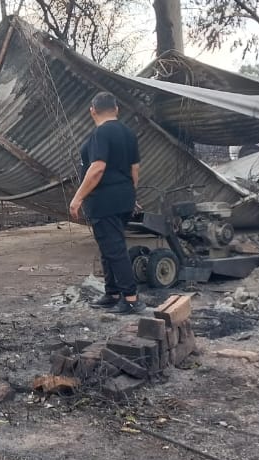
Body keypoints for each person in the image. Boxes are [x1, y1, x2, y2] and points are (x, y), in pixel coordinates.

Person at [69, 92, 145, 315]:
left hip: (104, 200)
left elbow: (98, 168)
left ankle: (130, 298)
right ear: (117, 109)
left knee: (115, 249)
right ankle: (112, 293)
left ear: (92, 110)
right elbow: (134, 170)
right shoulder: (128, 133)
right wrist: (131, 195)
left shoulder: (101, 133)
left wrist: (78, 197)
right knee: (108, 248)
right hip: (122, 198)